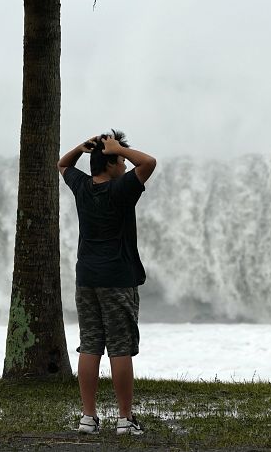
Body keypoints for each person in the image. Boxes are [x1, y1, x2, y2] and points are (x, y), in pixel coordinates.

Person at [57, 129, 157, 435]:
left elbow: (62, 165)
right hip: (117, 279)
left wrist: (81, 148)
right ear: (112, 164)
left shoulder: (83, 187)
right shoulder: (121, 189)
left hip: (86, 277)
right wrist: (120, 149)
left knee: (89, 345)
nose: (126, 167)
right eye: (121, 162)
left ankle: (88, 418)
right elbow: (149, 163)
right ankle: (125, 420)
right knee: (120, 347)